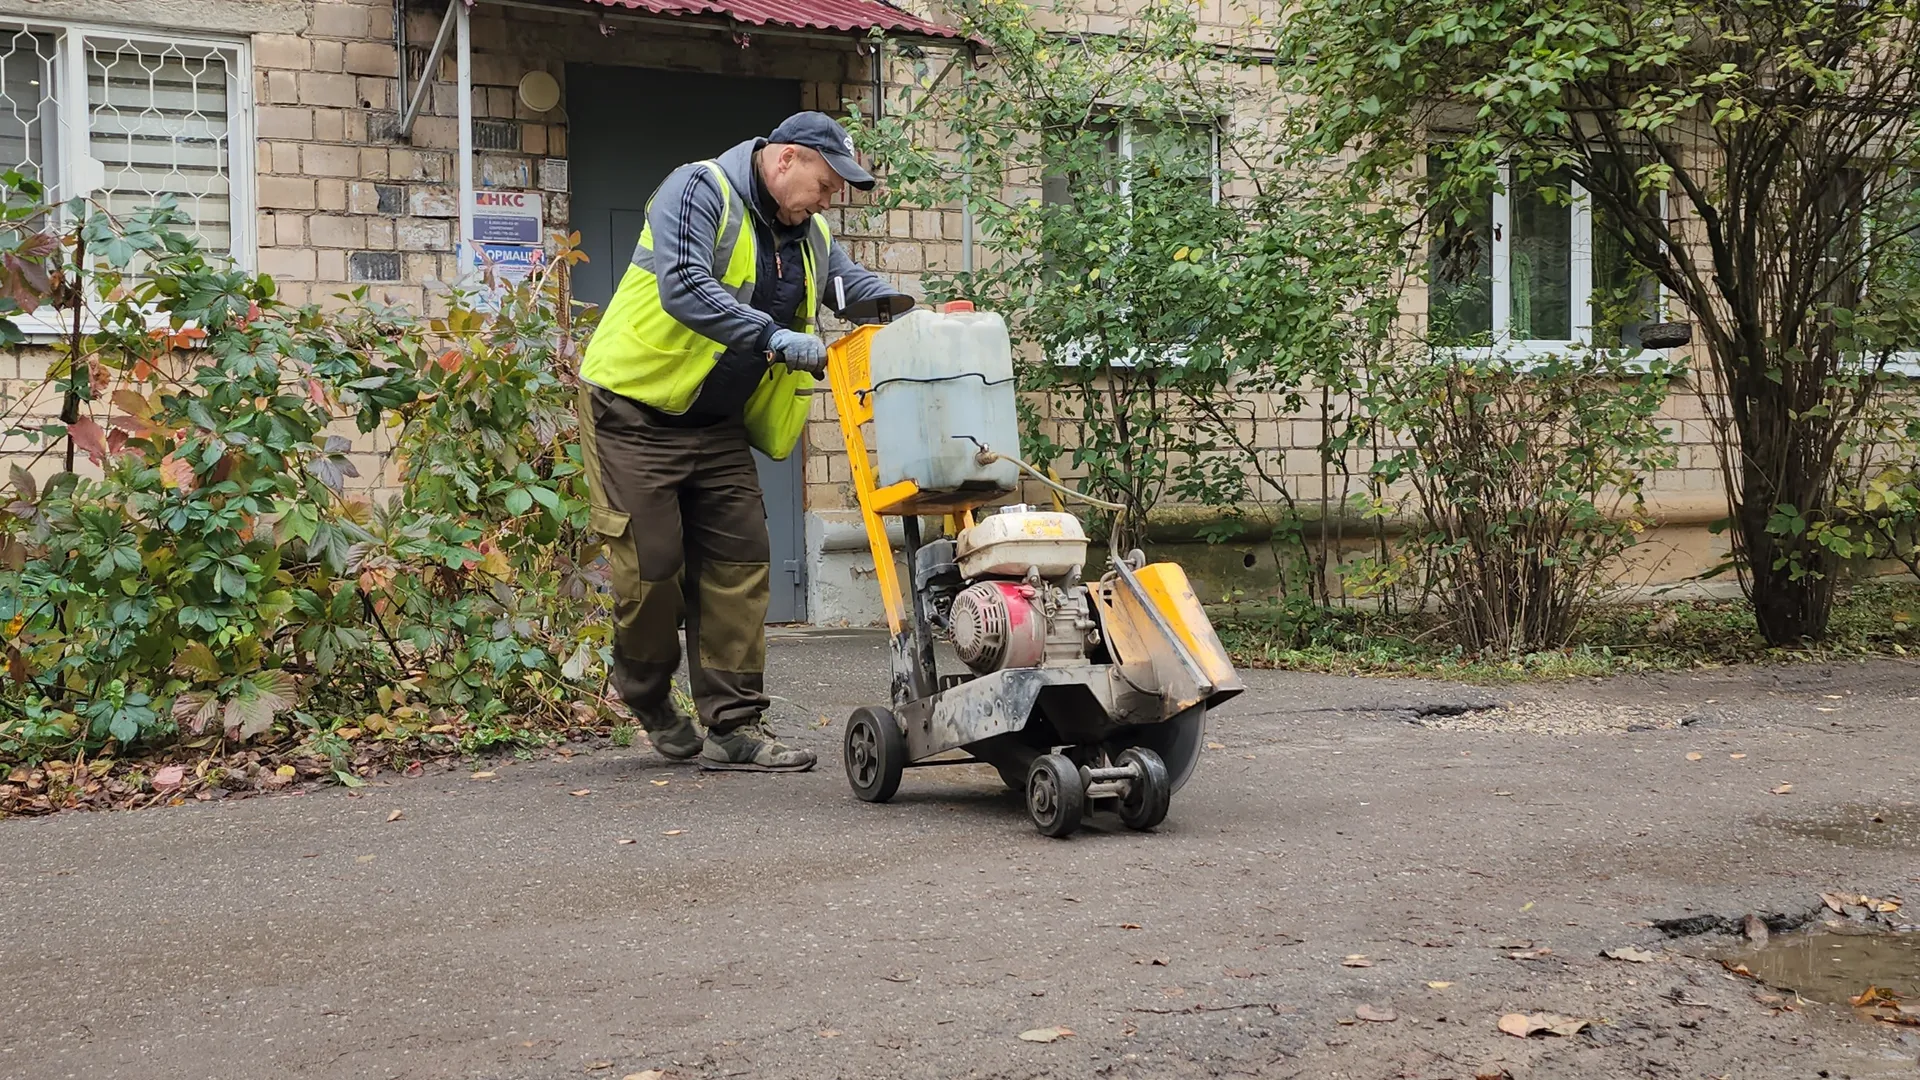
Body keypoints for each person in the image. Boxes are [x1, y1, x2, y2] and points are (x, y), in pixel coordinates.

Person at [577, 112, 907, 772]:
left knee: (740, 564)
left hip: (716, 424)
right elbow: (684, 286)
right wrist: (772, 335)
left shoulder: (809, 233)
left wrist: (912, 314)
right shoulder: (698, 190)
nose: (830, 199)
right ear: (786, 160)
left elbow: (849, 287)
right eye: (826, 183)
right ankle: (644, 690)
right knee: (653, 570)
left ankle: (733, 726)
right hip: (634, 411)